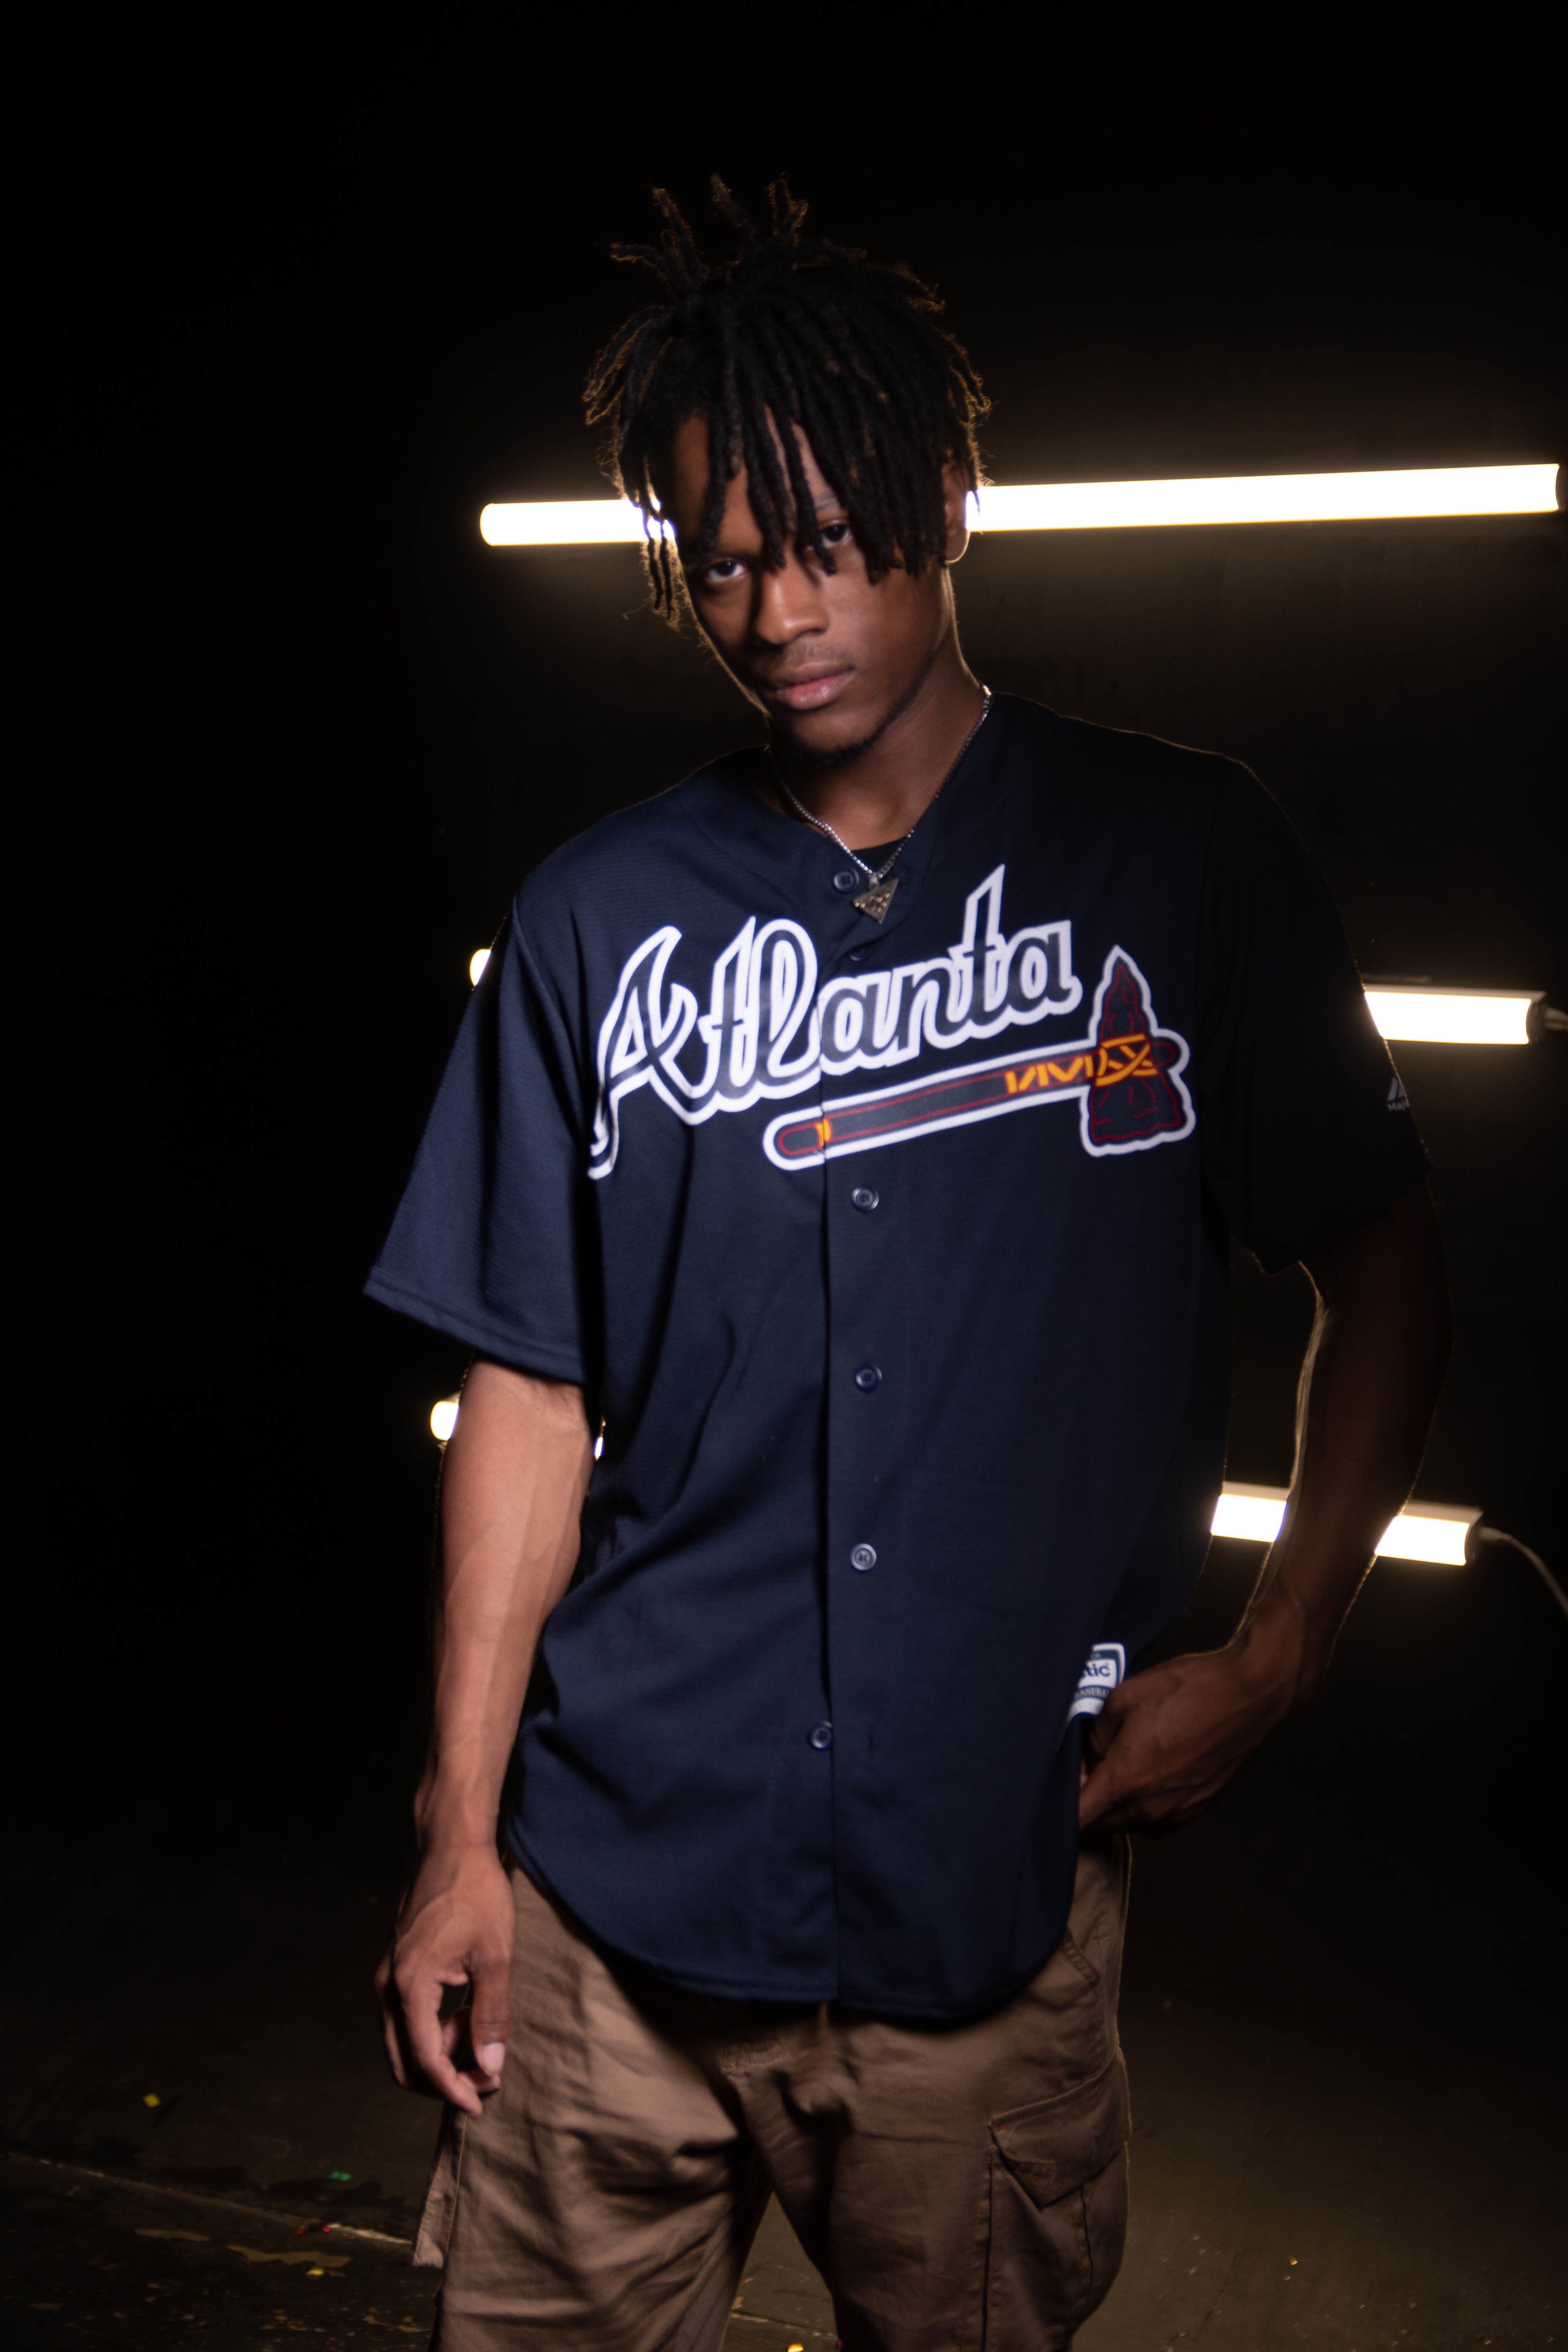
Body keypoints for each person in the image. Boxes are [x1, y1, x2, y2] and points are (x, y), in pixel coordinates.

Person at [367, 180, 1449, 2352]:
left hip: (990, 1915)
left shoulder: (1186, 855)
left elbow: (1387, 1264)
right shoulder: (594, 919)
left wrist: (1278, 1656)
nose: (776, 608)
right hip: (609, 1911)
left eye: (829, 537)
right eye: (718, 559)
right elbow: (528, 1392)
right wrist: (458, 1835)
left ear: (950, 501)